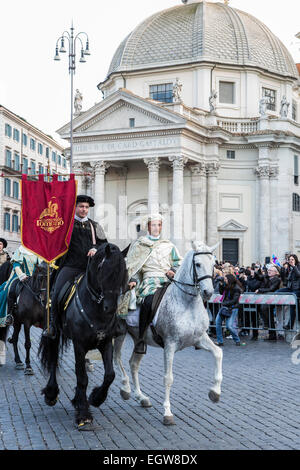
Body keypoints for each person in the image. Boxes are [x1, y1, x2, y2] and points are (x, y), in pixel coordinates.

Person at [43, 195, 107, 338]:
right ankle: (53, 325)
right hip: (70, 266)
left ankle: (108, 325)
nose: (84, 210)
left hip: (90, 269)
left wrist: (96, 249)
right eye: (81, 207)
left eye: (86, 207)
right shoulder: (65, 224)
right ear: (75, 207)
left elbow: (105, 245)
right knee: (57, 293)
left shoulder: (95, 226)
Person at [118, 214, 181, 354]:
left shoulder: (169, 245)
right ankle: (141, 338)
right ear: (148, 227)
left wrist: (173, 270)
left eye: (159, 225)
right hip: (148, 281)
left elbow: (178, 262)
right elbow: (133, 265)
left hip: (167, 280)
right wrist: (133, 278)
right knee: (148, 302)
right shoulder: (140, 244)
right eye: (153, 225)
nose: (156, 228)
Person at [0, 245, 42, 328]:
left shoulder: (38, 251)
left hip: (33, 277)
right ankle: (9, 314)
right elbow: (16, 265)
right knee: (10, 290)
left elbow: (40, 265)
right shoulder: (21, 250)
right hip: (19, 276)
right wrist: (21, 275)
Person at [215, 274, 243, 346]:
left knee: (229, 326)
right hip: (224, 307)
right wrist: (221, 284)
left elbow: (235, 300)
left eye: (226, 279)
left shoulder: (236, 288)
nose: (225, 280)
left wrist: (225, 303)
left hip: (232, 308)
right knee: (217, 322)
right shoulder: (226, 285)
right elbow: (221, 292)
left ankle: (237, 340)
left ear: (230, 280)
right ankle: (220, 341)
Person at [256, 265, 282, 341]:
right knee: (263, 310)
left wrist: (260, 290)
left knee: (267, 313)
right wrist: (258, 271)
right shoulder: (267, 278)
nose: (268, 271)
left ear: (276, 272)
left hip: (273, 299)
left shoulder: (276, 279)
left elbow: (271, 289)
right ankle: (270, 332)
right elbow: (259, 279)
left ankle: (271, 332)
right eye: (268, 270)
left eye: (270, 270)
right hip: (266, 299)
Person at [275, 254, 300, 331]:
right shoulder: (290, 268)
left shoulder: (298, 266)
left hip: (298, 289)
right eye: (289, 259)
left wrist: (294, 266)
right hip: (290, 288)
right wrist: (283, 268)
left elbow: (299, 275)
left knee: (292, 305)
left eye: (292, 259)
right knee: (277, 292)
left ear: (295, 260)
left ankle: (289, 325)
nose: (291, 261)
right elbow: (284, 278)